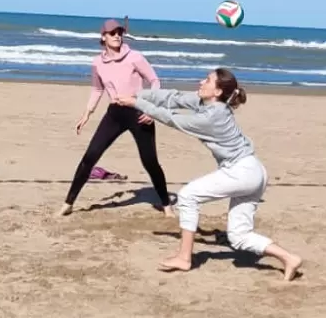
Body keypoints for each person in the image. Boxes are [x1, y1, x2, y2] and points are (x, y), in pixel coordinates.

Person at [117, 67, 303, 280]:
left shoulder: (212, 117)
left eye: (207, 80)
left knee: (187, 196)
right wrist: (138, 94)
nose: (200, 82)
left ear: (217, 92)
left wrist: (136, 104)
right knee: (239, 237)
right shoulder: (206, 103)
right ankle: (289, 258)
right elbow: (173, 98)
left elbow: (172, 119)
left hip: (242, 171)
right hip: (254, 171)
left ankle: (184, 258)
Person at [57, 19, 172, 217]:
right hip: (115, 113)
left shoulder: (134, 57)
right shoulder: (97, 63)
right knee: (90, 156)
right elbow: (97, 89)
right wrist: (87, 113)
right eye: (112, 33)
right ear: (103, 37)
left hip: (138, 112)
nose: (117, 35)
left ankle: (167, 205)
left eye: (120, 32)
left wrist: (151, 109)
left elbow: (154, 81)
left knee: (150, 161)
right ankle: (68, 203)